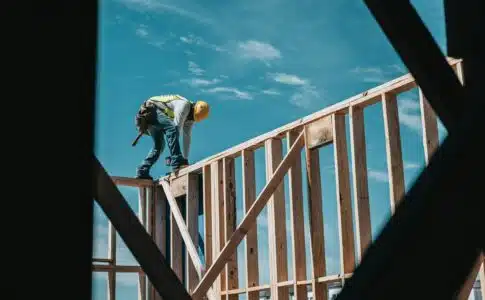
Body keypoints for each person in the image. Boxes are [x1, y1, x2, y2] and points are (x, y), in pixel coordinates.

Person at [134, 94, 209, 180]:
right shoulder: (184, 105)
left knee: (159, 146)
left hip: (154, 116)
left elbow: (187, 137)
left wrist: (185, 159)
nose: (190, 119)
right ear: (193, 108)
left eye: (193, 118)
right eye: (191, 116)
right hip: (150, 110)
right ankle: (176, 162)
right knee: (172, 128)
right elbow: (175, 129)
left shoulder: (190, 118)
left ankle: (142, 170)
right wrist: (177, 160)